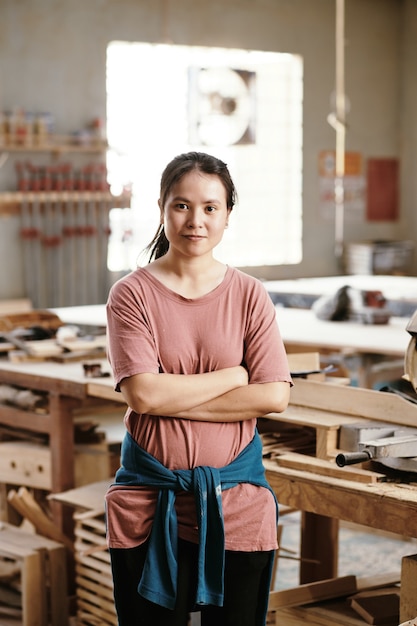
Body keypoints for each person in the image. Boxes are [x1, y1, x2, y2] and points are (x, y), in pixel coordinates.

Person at [105, 151, 292, 626]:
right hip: (150, 505)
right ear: (163, 208)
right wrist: (233, 377)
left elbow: (273, 396)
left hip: (238, 504)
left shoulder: (250, 294)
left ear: (228, 213)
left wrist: (173, 398)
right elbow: (143, 396)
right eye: (182, 205)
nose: (196, 220)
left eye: (211, 207)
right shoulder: (131, 295)